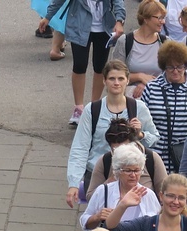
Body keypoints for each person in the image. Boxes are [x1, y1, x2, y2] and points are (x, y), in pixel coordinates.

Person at [66, 60, 159, 208]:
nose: (116, 83)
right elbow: (80, 147)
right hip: (99, 173)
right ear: (104, 81)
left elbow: (154, 138)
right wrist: (74, 183)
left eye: (121, 78)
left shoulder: (139, 107)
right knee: (99, 220)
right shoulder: (92, 109)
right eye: (112, 78)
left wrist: (140, 135)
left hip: (130, 174)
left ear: (127, 80)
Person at [81, 144, 162, 231]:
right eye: (128, 170)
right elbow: (84, 221)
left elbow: (157, 228)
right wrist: (96, 217)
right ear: (118, 171)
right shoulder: (104, 191)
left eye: (137, 170)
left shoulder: (148, 195)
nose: (133, 175)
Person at [40, 0, 126, 125]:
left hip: (104, 27)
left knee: (100, 67)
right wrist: (47, 17)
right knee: (79, 65)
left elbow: (118, 2)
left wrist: (119, 20)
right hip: (79, 25)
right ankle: (78, 107)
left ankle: (94, 106)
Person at [141, 40, 187, 173]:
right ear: (163, 66)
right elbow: (144, 122)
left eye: (180, 67)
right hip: (158, 157)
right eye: (170, 67)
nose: (175, 71)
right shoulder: (152, 87)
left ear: (186, 65)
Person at [86, 118, 167, 202]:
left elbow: (165, 193)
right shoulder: (105, 161)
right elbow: (90, 197)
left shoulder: (151, 158)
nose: (121, 156)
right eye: (116, 151)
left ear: (134, 143)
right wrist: (112, 180)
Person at [111, 0, 167, 99]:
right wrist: (139, 76)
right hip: (129, 100)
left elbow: (173, 74)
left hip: (159, 100)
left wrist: (147, 85)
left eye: (163, 18)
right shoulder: (125, 41)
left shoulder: (165, 43)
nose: (163, 21)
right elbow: (113, 74)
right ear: (146, 19)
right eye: (159, 18)